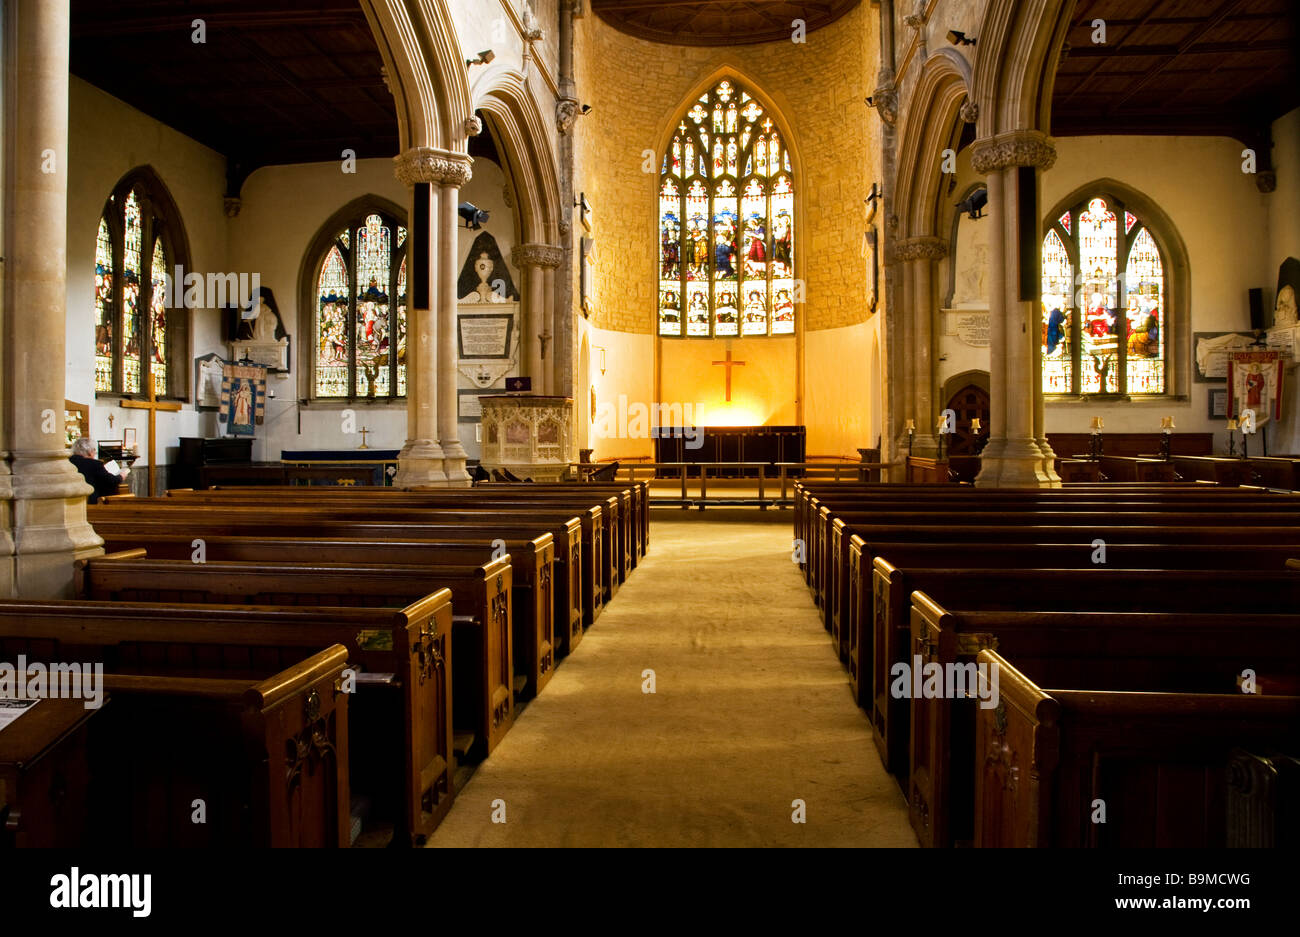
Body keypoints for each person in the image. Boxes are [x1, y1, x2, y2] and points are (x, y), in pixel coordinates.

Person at [69, 437, 127, 503]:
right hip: (91, 502)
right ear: (89, 452)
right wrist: (121, 476)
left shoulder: (68, 462)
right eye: (94, 450)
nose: (94, 453)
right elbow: (111, 480)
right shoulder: (94, 464)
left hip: (71, 501)